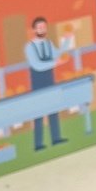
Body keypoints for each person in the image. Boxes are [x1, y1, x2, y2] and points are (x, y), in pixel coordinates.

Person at [24, 17, 70, 151]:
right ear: (34, 30)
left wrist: (67, 40)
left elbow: (57, 54)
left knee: (53, 110)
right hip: (37, 83)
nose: (42, 30)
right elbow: (37, 65)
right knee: (38, 113)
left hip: (50, 80)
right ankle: (38, 144)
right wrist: (55, 63)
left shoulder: (48, 43)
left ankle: (56, 138)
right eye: (39, 28)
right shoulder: (29, 47)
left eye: (44, 27)